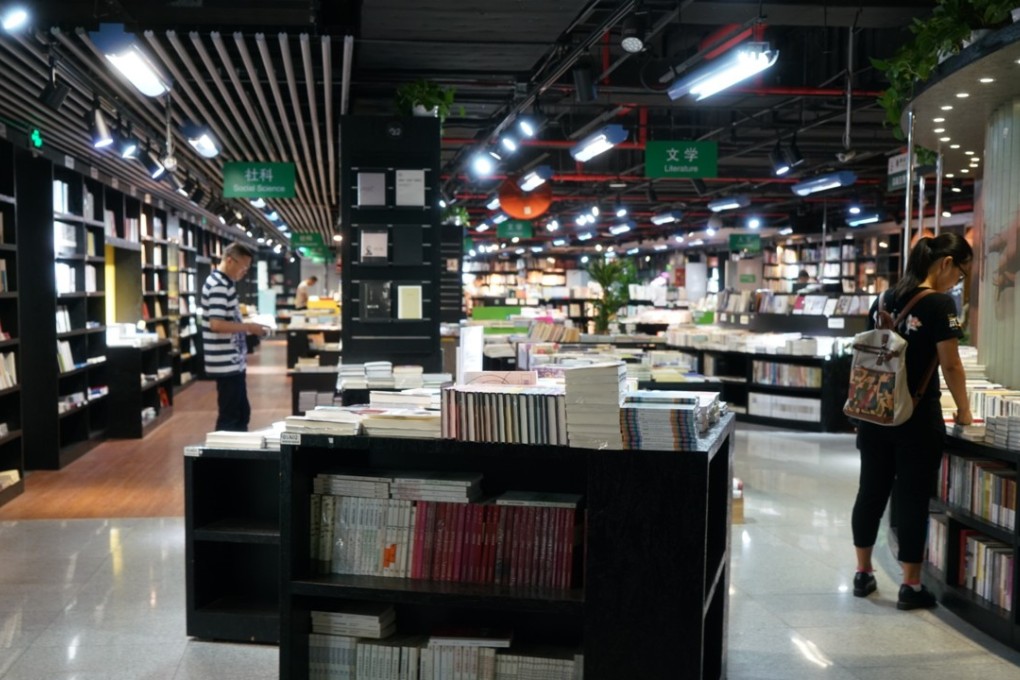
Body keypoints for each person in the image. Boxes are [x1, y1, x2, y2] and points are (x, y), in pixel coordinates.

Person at [850, 233, 973, 610]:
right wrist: (966, 413)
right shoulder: (939, 304)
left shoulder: (884, 297)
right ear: (946, 264)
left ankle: (864, 573)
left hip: (875, 411)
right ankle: (911, 584)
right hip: (917, 418)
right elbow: (950, 364)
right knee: (912, 497)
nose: (959, 283)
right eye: (961, 274)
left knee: (870, 490)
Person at [201, 243, 271, 431]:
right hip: (225, 362)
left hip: (232, 360)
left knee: (240, 412)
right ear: (230, 260)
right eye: (243, 266)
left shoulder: (224, 284)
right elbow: (215, 324)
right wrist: (249, 327)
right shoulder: (219, 285)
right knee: (231, 416)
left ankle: (236, 455)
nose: (244, 272)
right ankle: (226, 457)